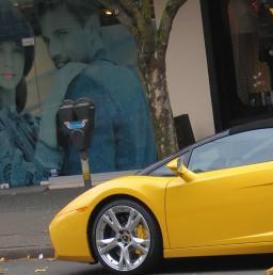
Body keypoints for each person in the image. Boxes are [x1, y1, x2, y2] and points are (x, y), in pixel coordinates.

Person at [34, 0, 156, 177]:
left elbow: (87, 175)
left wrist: (53, 102)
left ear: (91, 27)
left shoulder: (84, 87)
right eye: (47, 40)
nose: (53, 51)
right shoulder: (128, 76)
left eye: (62, 34)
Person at [0, 0, 44, 187]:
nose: (9, 62)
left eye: (16, 51)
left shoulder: (28, 123)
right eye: (0, 51)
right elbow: (15, 179)